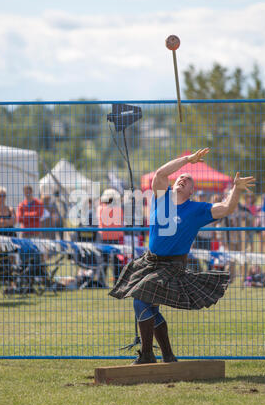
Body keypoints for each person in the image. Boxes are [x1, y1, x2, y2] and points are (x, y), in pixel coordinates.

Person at [109, 148, 255, 364]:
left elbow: (226, 208)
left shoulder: (197, 210)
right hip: (149, 261)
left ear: (191, 192)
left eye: (187, 180)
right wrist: (187, 160)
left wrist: (236, 189)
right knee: (147, 305)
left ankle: (149, 354)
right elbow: (160, 174)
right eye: (179, 178)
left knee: (141, 300)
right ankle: (167, 355)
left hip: (172, 265)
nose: (181, 179)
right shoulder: (161, 197)